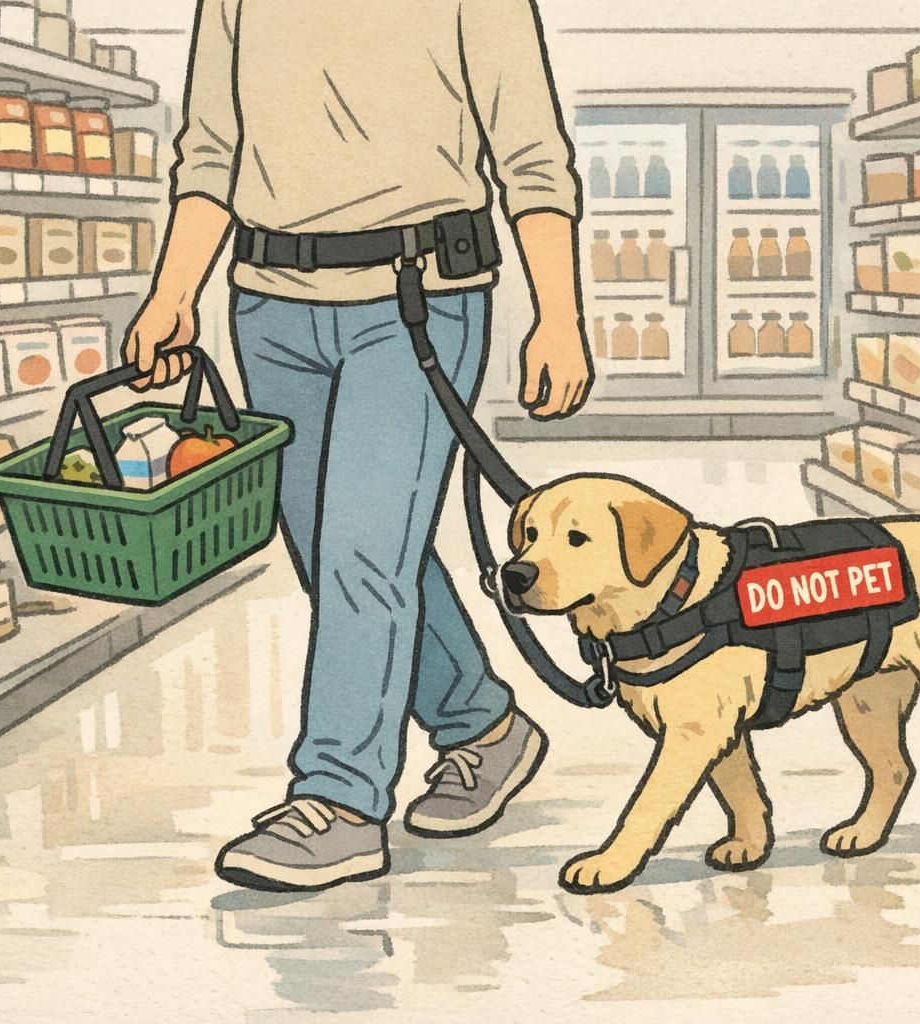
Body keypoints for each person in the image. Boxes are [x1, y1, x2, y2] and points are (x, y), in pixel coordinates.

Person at [124, 0, 589, 892]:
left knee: (364, 550)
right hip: (267, 303)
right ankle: (484, 725)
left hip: (415, 300)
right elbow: (209, 151)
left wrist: (558, 319)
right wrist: (174, 291)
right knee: (337, 548)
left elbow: (533, 158)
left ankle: (338, 802)